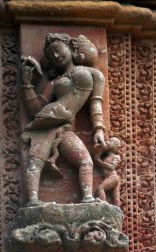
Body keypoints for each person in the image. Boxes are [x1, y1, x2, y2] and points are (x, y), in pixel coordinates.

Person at [21, 33, 106, 205]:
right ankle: (33, 200)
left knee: (85, 161)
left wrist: (98, 129)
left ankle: (88, 198)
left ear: (72, 49)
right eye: (52, 56)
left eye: (59, 50)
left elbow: (96, 103)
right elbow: (36, 109)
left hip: (66, 125)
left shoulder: (94, 74)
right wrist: (27, 83)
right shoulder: (54, 83)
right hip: (48, 118)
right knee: (36, 160)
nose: (57, 56)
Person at [94, 137, 121, 206]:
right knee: (115, 196)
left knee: (100, 188)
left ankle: (103, 204)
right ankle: (117, 209)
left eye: (111, 141)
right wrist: (100, 149)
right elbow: (96, 158)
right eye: (108, 140)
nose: (108, 142)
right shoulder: (105, 156)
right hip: (110, 177)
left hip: (113, 177)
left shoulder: (116, 157)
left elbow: (112, 167)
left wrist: (100, 162)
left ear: (116, 147)